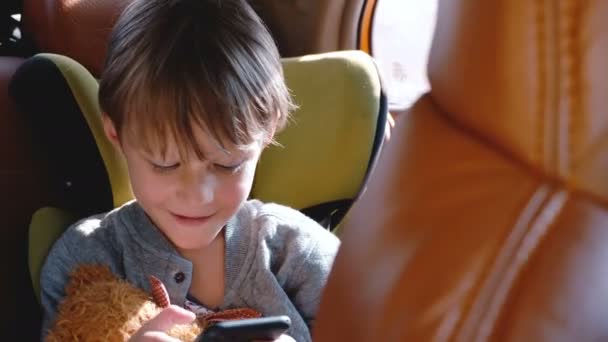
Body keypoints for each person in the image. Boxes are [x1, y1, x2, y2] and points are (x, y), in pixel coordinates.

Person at [39, 0, 340, 340]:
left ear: (265, 138)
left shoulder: (298, 253)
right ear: (117, 137)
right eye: (164, 164)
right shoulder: (88, 259)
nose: (198, 194)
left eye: (227, 164)